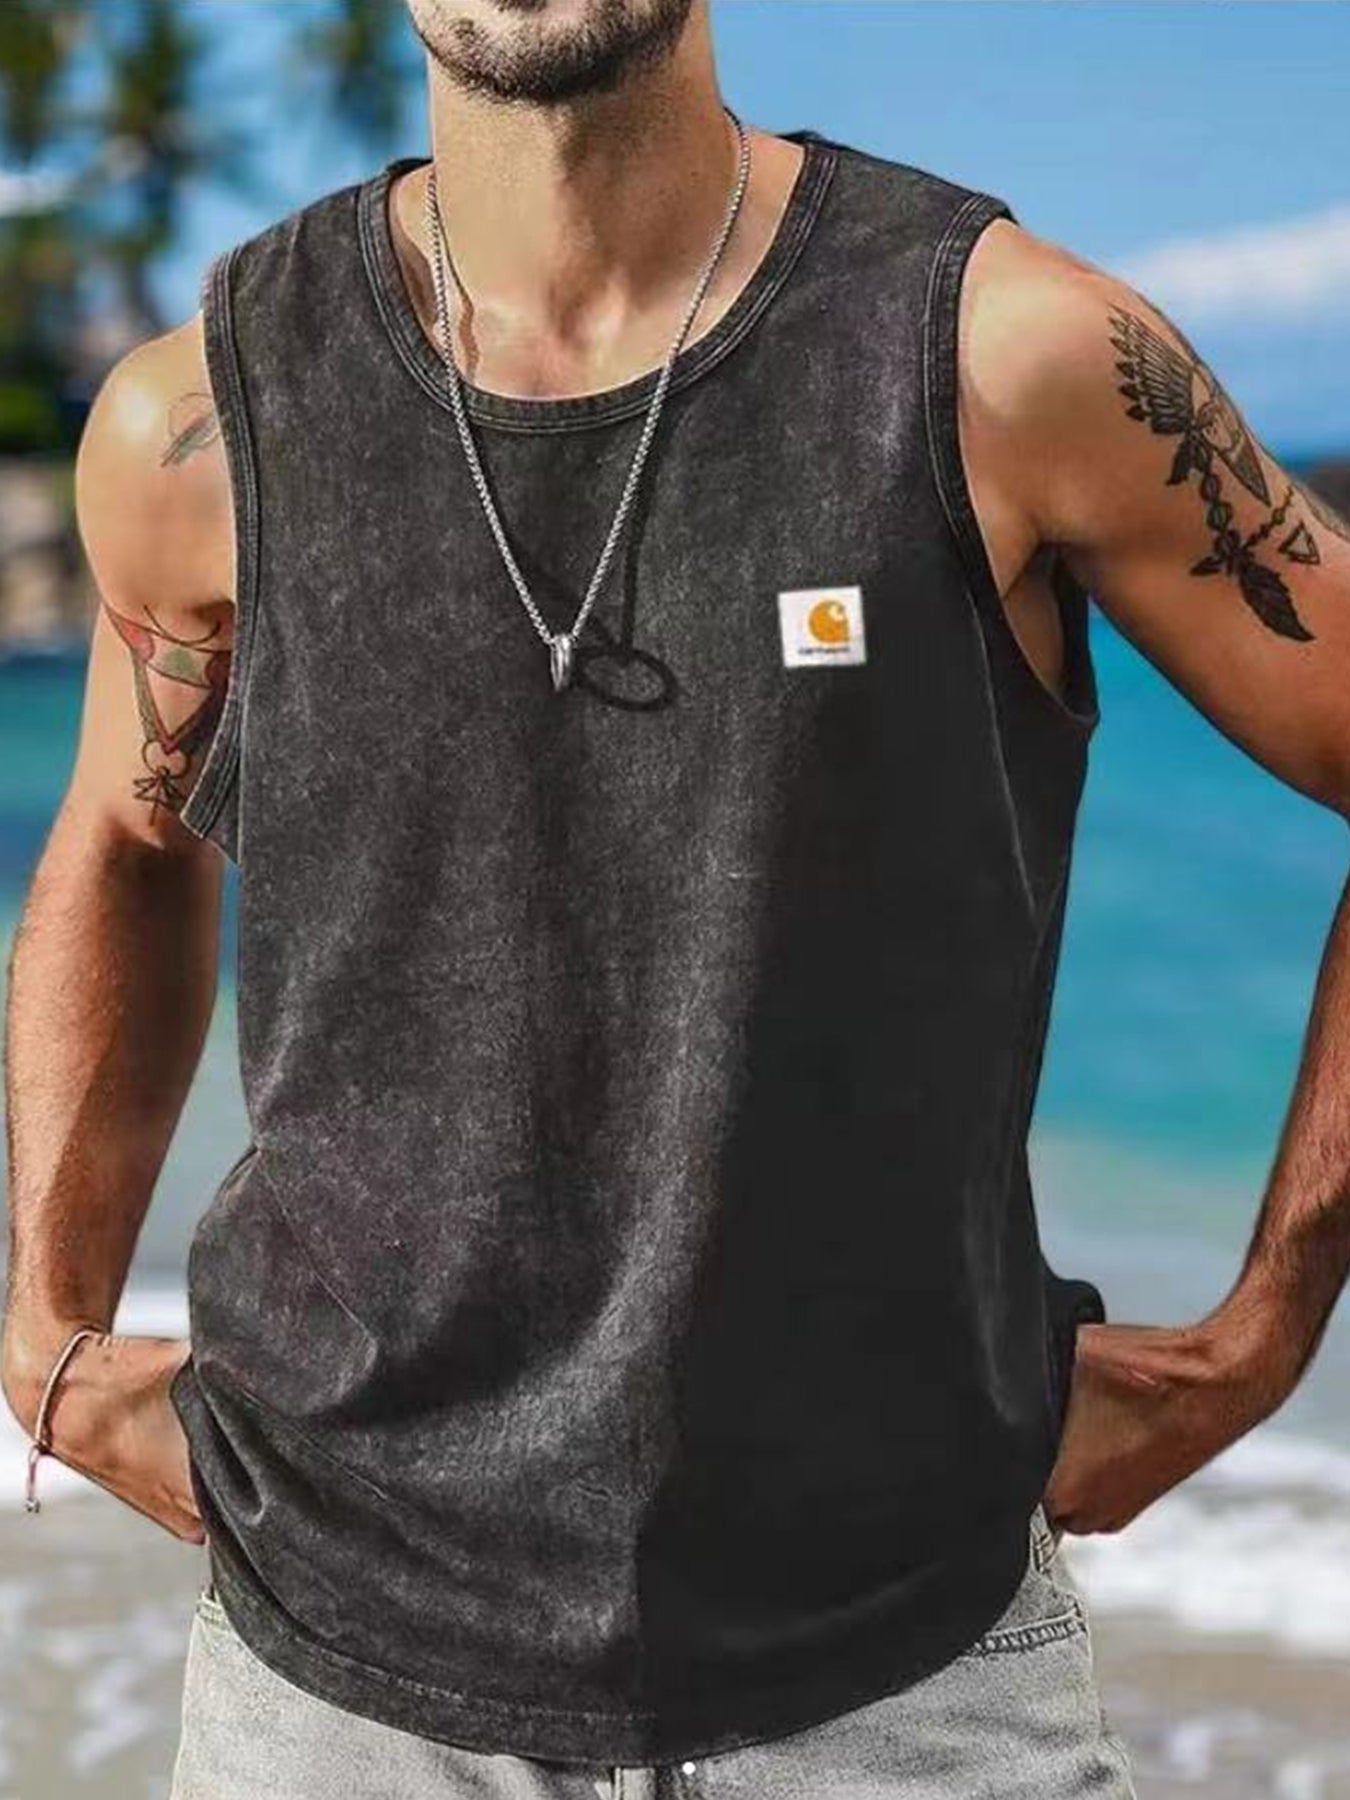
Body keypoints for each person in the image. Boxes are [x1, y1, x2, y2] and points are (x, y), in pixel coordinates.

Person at [4, 1, 1350, 1794]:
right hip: (330, 1670)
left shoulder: (1001, 352)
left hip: (899, 1664)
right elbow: (126, 842)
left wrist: (1260, 1336)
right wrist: (45, 1326)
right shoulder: (199, 417)